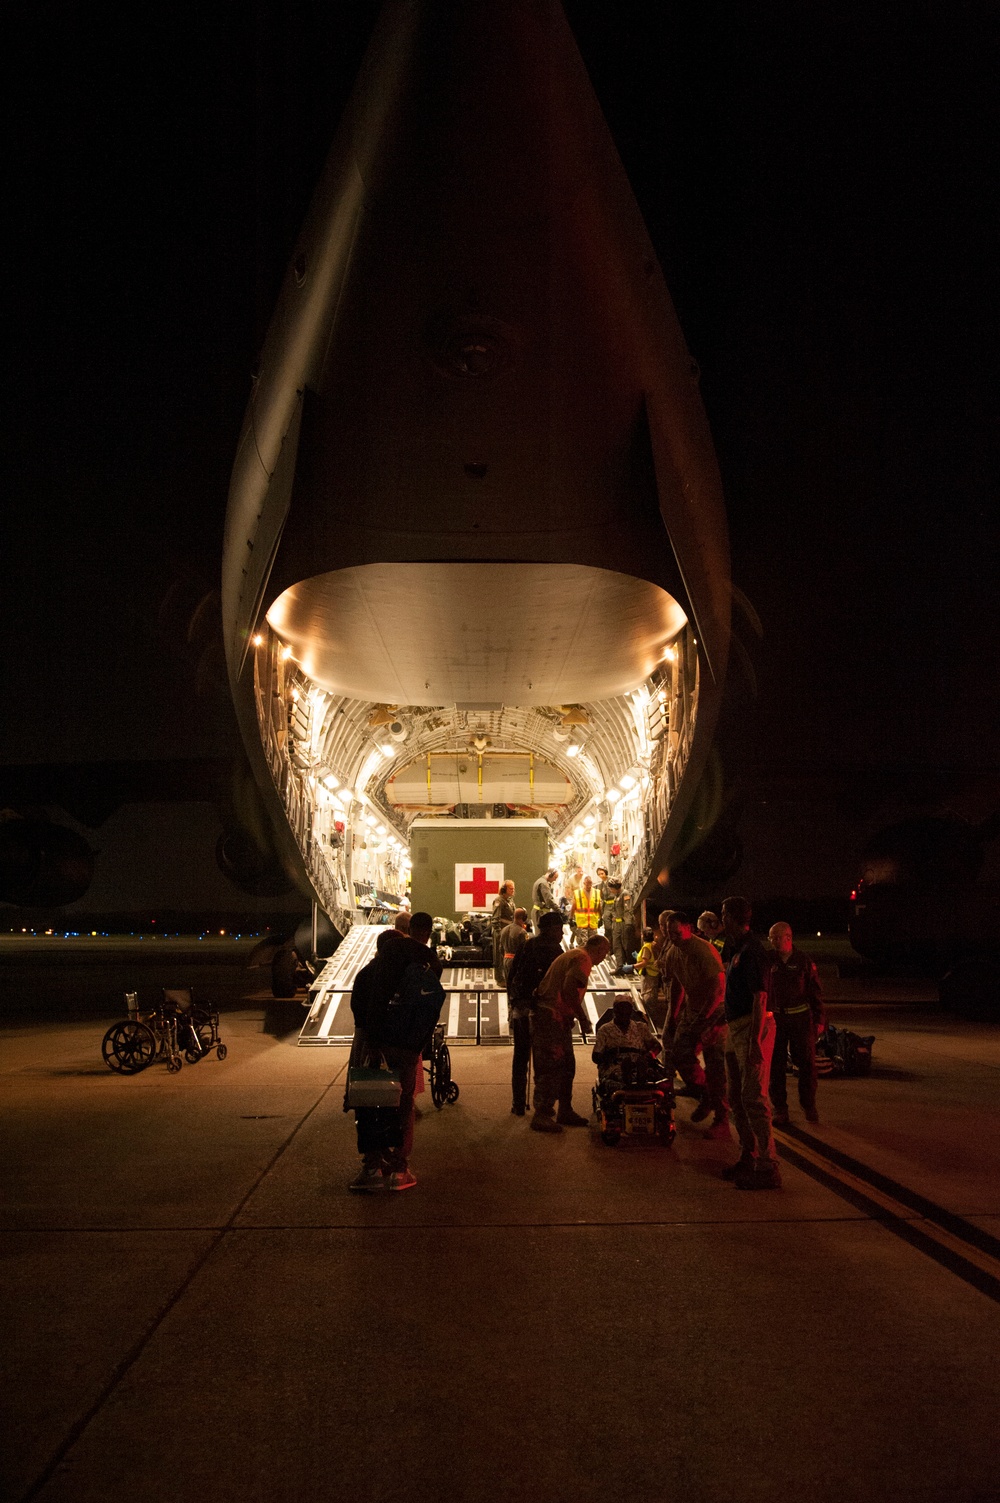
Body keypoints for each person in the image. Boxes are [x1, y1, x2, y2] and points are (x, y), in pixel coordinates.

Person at [347, 911, 443, 1192]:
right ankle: (399, 1169)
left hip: (374, 1046)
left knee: (370, 1104)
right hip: (408, 1048)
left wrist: (372, 1047)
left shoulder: (370, 973)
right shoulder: (428, 965)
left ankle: (372, 1165)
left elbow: (360, 1015)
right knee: (403, 1107)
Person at [719, 896, 780, 1190]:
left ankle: (768, 1167)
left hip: (752, 1028)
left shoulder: (753, 950)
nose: (720, 920)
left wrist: (755, 1040)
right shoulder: (735, 948)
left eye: (722, 914)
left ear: (731, 917)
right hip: (736, 1028)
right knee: (736, 1096)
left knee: (754, 1098)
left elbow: (760, 998)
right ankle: (749, 1154)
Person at [658, 913, 729, 1138]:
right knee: (679, 1053)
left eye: (677, 933)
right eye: (670, 934)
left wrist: (705, 1022)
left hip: (715, 1011)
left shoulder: (703, 951)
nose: (674, 938)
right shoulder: (673, 952)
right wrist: (672, 1015)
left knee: (715, 1064)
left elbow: (718, 990)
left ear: (689, 928)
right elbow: (676, 985)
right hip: (693, 1010)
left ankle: (721, 1119)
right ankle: (705, 1093)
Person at [530, 934, 610, 1132]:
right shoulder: (583, 959)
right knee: (553, 1065)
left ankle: (564, 1109)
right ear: (599, 949)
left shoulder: (574, 955)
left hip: (552, 1016)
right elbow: (569, 991)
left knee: (566, 1065)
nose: (604, 958)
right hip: (551, 1018)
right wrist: (582, 1018)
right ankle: (542, 1112)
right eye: (605, 953)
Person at [506, 910, 565, 1115]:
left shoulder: (526, 945)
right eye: (559, 929)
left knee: (520, 1057)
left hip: (520, 1008)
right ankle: (542, 1105)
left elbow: (511, 975)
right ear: (550, 929)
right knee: (543, 1059)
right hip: (541, 1011)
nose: (563, 933)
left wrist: (512, 1003)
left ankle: (518, 1104)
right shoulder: (554, 950)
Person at [766, 922, 825, 1125]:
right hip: (776, 1020)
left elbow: (815, 992)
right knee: (776, 1065)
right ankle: (780, 1108)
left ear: (788, 938)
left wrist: (819, 1020)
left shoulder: (803, 961)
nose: (773, 941)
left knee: (807, 1064)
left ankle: (808, 1104)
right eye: (771, 938)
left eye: (776, 937)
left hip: (800, 1020)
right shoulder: (768, 961)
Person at [592, 993, 661, 1085]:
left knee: (655, 1076)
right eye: (620, 1011)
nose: (624, 1013)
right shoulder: (605, 1030)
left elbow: (657, 1046)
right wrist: (607, 1056)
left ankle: (638, 1076)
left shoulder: (641, 1027)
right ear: (615, 1011)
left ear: (631, 1012)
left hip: (639, 1062)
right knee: (615, 1076)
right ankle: (628, 1077)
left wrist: (649, 1055)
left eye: (627, 1011)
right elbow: (595, 1056)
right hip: (615, 1064)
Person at [491, 880, 516, 986]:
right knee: (498, 955)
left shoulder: (510, 901)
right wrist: (499, 933)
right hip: (500, 932)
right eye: (511, 888)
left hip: (508, 932)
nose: (513, 890)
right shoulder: (499, 901)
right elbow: (495, 919)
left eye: (513, 888)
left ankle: (505, 976)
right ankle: (499, 979)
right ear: (504, 890)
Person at [604, 878, 631, 973]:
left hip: (624, 924)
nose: (610, 890)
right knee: (616, 945)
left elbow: (627, 910)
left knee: (627, 946)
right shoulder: (616, 895)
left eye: (611, 888)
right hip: (617, 925)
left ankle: (631, 967)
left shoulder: (625, 894)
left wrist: (628, 924)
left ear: (616, 887)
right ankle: (620, 967)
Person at [500, 906, 529, 983]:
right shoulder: (522, 932)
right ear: (524, 918)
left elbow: (500, 948)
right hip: (517, 962)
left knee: (508, 985)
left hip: (505, 960)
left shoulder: (504, 930)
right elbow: (525, 950)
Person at [571, 873, 601, 947]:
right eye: (587, 884)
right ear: (583, 883)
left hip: (593, 924)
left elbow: (599, 907)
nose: (588, 886)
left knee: (593, 945)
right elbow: (573, 907)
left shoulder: (597, 892)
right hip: (581, 924)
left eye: (590, 884)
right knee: (584, 945)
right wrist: (570, 919)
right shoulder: (578, 893)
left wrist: (601, 918)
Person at [531, 868, 562, 933]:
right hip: (541, 913)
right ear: (550, 875)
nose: (555, 879)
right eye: (555, 877)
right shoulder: (543, 884)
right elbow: (549, 900)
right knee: (541, 935)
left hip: (539, 912)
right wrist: (559, 910)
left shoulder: (540, 881)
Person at [635, 926, 659, 1007]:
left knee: (647, 996)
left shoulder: (646, 947)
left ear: (643, 936)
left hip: (648, 974)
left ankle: (649, 1016)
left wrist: (632, 966)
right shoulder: (654, 944)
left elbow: (645, 963)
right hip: (655, 974)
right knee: (652, 994)